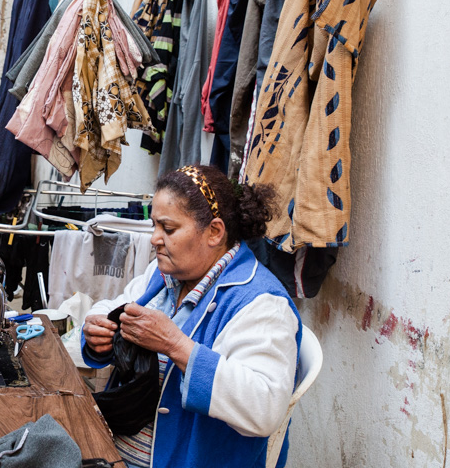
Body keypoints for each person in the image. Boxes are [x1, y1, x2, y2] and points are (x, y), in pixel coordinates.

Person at [81, 164, 300, 468]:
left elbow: (263, 407)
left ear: (214, 232)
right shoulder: (162, 277)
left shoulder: (261, 304)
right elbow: (111, 306)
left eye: (168, 229)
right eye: (154, 225)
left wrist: (176, 346)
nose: (154, 238)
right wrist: (98, 330)